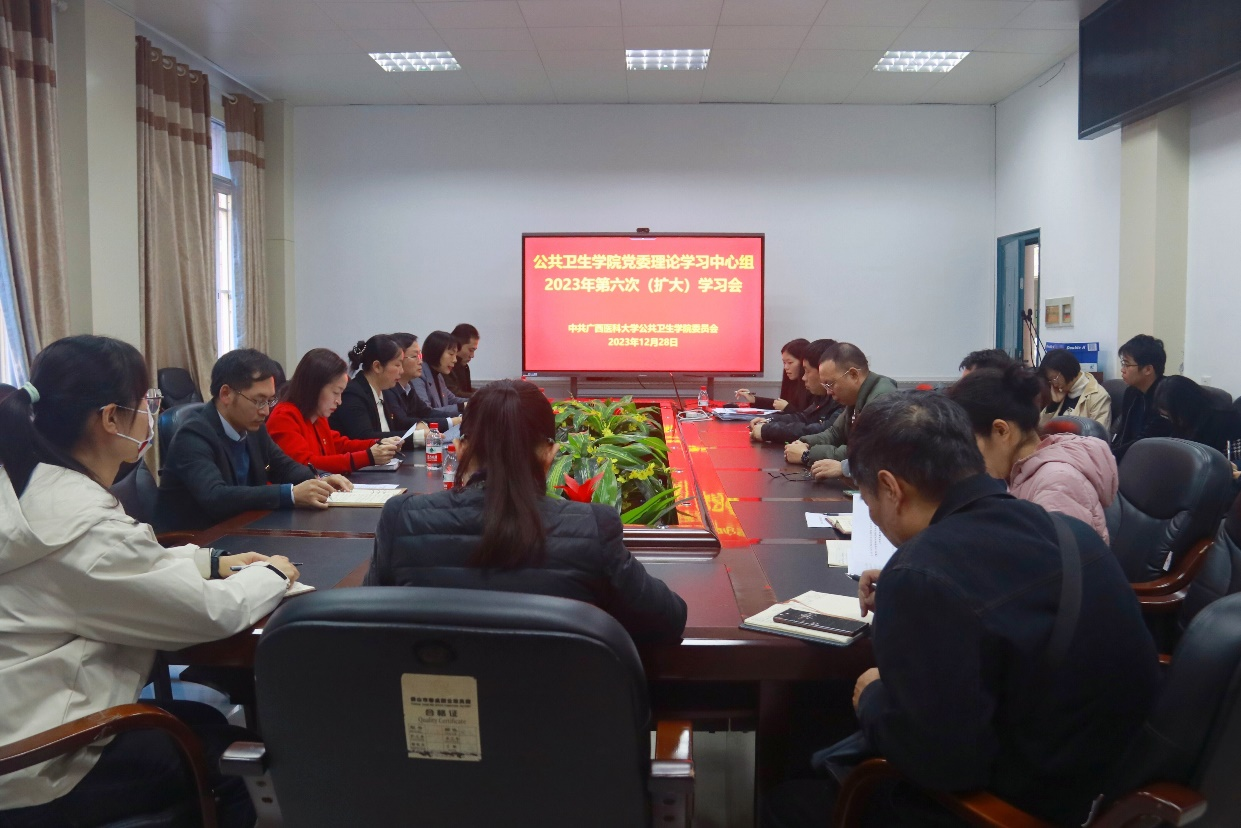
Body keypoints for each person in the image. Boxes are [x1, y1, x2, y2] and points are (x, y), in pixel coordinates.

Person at [765, 392, 1159, 828]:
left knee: (787, 800)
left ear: (892, 488)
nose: (873, 514)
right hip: (1100, 781)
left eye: (869, 500)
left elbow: (942, 763)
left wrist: (874, 696)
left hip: (1011, 807)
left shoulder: (923, 573)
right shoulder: (1066, 530)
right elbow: (1001, 606)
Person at [0, 337, 301, 828]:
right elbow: (206, 613)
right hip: (42, 766)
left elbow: (118, 571)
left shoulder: (29, 488)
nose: (150, 415)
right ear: (110, 419)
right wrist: (272, 574)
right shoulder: (80, 525)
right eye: (146, 402)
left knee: (205, 723)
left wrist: (209, 562)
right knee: (235, 758)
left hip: (21, 719)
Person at [367, 380, 687, 644]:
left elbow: (367, 628)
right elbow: (668, 620)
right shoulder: (592, 529)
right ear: (549, 454)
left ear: (460, 449)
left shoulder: (403, 519)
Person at [156, 349, 350, 532]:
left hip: (243, 530)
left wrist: (319, 479)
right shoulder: (192, 435)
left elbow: (284, 467)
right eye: (258, 400)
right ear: (226, 394)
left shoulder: (253, 430)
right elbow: (216, 497)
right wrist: (290, 494)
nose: (265, 411)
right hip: (198, 541)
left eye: (270, 401)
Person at [947, 365, 1118, 542]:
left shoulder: (1057, 485)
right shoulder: (1020, 473)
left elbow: (1058, 558)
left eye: (971, 443)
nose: (970, 457)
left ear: (1001, 431)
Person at [267, 348, 401, 474]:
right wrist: (368, 457)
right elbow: (306, 464)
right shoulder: (284, 417)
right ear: (314, 388)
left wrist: (378, 443)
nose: (339, 401)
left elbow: (339, 445)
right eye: (336, 392)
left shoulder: (317, 416)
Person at [784, 343, 896, 480]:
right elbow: (835, 433)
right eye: (825, 385)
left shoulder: (882, 400)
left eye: (830, 384)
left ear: (853, 375)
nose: (828, 392)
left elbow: (863, 454)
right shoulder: (856, 397)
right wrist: (804, 442)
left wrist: (807, 455)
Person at [329, 335, 425, 446]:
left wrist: (418, 424)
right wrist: (417, 437)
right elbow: (365, 437)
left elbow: (399, 421)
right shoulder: (353, 394)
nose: (402, 371)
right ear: (377, 366)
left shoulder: (384, 391)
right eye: (397, 365)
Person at [750, 339, 843, 444]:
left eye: (807, 371)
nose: (803, 377)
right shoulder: (823, 396)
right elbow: (804, 417)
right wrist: (769, 420)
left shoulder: (842, 401)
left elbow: (822, 431)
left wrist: (768, 431)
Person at [1111, 334, 1172, 459]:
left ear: (1148, 369)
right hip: (1131, 457)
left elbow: (1147, 441)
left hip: (1153, 459)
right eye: (1122, 364)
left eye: (1127, 365)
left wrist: (1108, 457)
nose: (1122, 370)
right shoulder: (1131, 392)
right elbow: (1124, 434)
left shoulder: (1166, 396)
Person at [1154, 375, 1241, 458]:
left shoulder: (1226, 420)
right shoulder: (1183, 422)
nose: (1172, 420)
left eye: (1172, 416)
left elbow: (1232, 460)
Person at [386, 332, 453, 437]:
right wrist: (452, 421)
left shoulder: (408, 387)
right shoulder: (388, 389)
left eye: (420, 355)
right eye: (415, 356)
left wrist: (456, 418)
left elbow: (427, 412)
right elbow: (402, 422)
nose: (420, 361)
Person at [1037, 348, 1111, 430]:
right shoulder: (1060, 392)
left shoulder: (1098, 397)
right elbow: (1039, 429)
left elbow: (1099, 433)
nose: (1053, 384)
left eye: (1053, 378)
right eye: (1050, 381)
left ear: (1066, 370)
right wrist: (1053, 405)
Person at [736, 338, 810, 412]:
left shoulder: (812, 387)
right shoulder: (792, 383)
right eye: (784, 363)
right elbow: (779, 405)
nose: (786, 367)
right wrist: (754, 399)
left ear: (804, 362)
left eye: (790, 362)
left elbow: (806, 417)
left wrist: (787, 408)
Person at [414, 330, 468, 417]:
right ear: (436, 352)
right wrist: (462, 407)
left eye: (455, 355)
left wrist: (478, 400)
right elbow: (426, 412)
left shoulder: (438, 376)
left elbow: (452, 400)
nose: (455, 360)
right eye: (451, 354)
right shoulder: (418, 376)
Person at [446, 323, 480, 399]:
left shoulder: (464, 367)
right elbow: (455, 395)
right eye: (471, 350)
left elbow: (467, 391)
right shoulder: (445, 367)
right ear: (457, 346)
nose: (472, 356)